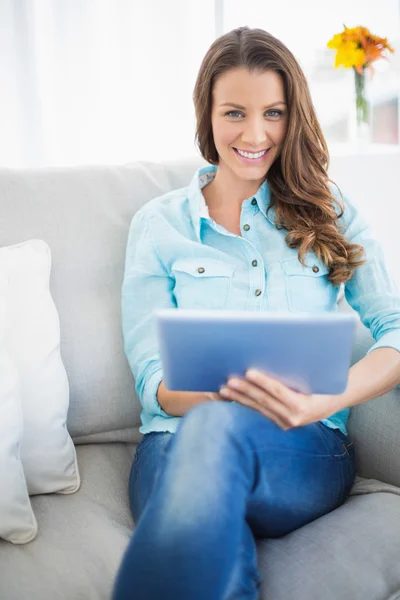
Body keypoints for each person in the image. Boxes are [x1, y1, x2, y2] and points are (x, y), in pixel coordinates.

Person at [112, 27, 400, 600]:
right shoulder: (158, 225)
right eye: (234, 112)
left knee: (209, 470)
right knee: (210, 500)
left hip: (302, 447)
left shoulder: (331, 212)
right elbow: (156, 385)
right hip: (174, 442)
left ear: (293, 118)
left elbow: (395, 331)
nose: (254, 133)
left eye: (273, 112)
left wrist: (328, 399)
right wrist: (217, 401)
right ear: (207, 115)